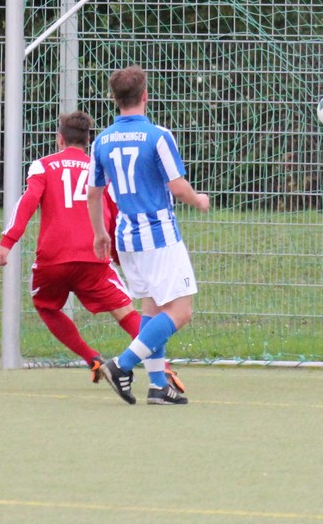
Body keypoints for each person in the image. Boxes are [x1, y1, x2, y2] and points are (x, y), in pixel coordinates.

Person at [0, 110, 182, 389]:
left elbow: (28, 201)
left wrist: (6, 243)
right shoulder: (99, 170)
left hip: (52, 261)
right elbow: (115, 213)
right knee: (127, 311)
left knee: (46, 306)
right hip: (95, 258)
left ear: (60, 139)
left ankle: (92, 358)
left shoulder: (42, 166)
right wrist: (119, 257)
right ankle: (162, 368)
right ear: (88, 141)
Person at [89, 66, 209, 406]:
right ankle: (122, 364)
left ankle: (158, 386)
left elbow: (93, 194)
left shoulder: (102, 140)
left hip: (125, 235)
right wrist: (198, 199)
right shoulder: (158, 135)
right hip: (158, 234)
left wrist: (100, 234)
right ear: (145, 96)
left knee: (153, 309)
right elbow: (176, 185)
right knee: (181, 311)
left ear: (115, 99)